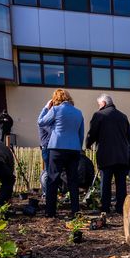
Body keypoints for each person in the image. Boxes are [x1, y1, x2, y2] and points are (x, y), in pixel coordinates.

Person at [38, 88, 84, 218]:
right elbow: (81, 134)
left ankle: (50, 211)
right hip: (74, 149)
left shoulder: (55, 110)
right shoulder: (79, 113)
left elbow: (40, 122)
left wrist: (46, 108)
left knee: (53, 179)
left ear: (56, 99)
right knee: (73, 181)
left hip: (57, 148)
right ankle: (75, 211)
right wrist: (78, 147)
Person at [86, 94, 130, 214]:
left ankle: (105, 207)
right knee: (121, 184)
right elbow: (129, 136)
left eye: (99, 104)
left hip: (106, 155)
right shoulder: (123, 116)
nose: (98, 107)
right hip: (122, 155)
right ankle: (120, 207)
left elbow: (92, 133)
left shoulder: (99, 115)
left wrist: (88, 144)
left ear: (104, 104)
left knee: (105, 183)